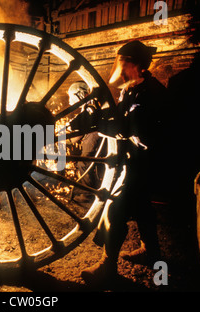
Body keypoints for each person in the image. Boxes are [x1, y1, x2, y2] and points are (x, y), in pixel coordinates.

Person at [70, 40, 167, 283]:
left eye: (125, 62)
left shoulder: (152, 93)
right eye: (120, 61)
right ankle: (151, 253)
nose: (120, 66)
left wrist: (111, 128)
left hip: (147, 163)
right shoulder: (131, 88)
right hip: (134, 161)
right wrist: (96, 115)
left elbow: (141, 134)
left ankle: (108, 266)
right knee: (143, 209)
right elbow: (117, 117)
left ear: (138, 66)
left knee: (114, 209)